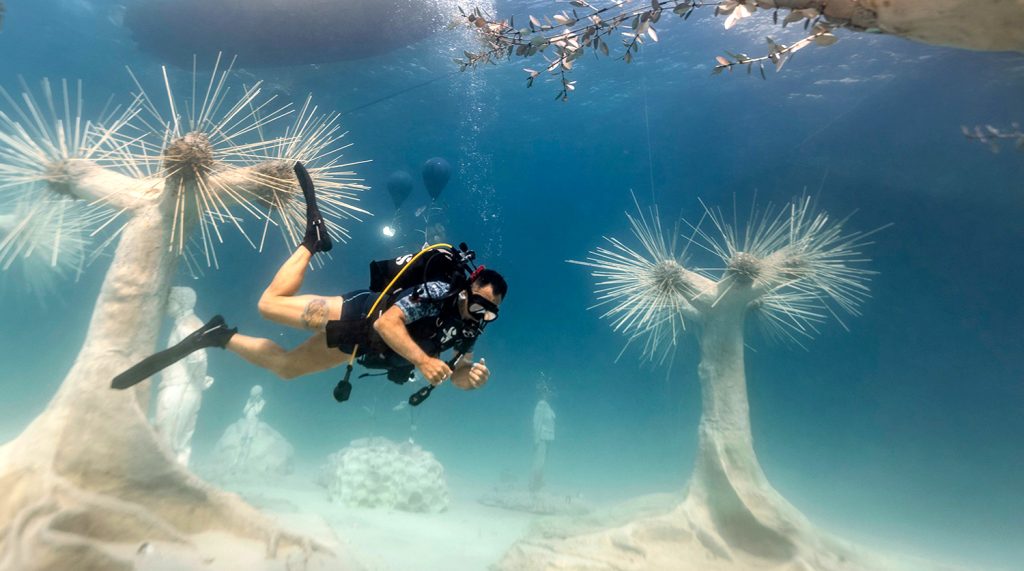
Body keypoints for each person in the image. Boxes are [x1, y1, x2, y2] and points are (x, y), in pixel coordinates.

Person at [112, 162, 506, 396]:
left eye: (490, 313)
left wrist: (468, 378)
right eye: (478, 304)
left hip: (358, 345)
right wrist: (423, 361)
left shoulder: (472, 327)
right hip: (359, 315)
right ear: (466, 290)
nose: (481, 315)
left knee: (287, 369)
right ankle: (312, 240)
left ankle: (217, 335)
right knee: (269, 306)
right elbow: (388, 323)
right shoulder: (438, 291)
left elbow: (456, 372)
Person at [153, 286, 215, 467]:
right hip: (185, 387)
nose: (167, 306)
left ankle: (164, 478)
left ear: (180, 303)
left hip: (180, 388)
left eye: (170, 302)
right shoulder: (187, 323)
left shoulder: (186, 325)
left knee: (168, 439)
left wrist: (198, 381)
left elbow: (197, 357)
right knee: (179, 443)